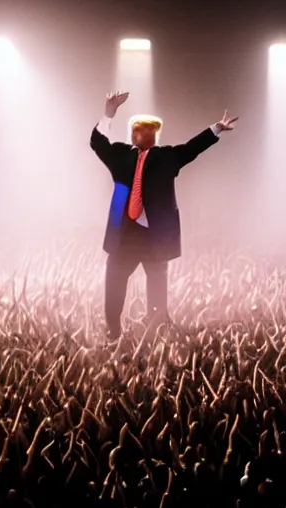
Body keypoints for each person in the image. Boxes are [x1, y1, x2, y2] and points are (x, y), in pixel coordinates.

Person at [90, 91, 238, 339]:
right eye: (141, 130)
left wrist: (216, 129)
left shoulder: (167, 156)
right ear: (133, 134)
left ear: (155, 137)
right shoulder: (119, 154)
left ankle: (157, 330)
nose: (146, 135)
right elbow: (97, 143)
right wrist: (108, 114)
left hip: (154, 236)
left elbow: (191, 149)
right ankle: (113, 331)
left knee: (157, 287)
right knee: (114, 285)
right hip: (124, 236)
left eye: (151, 132)